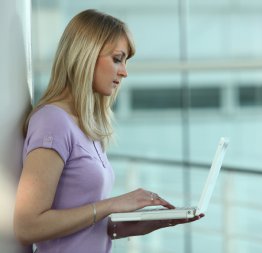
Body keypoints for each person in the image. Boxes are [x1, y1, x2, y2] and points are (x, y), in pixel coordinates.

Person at [13, 9, 203, 253]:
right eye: (117, 59)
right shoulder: (52, 121)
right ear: (86, 55)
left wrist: (154, 221)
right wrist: (112, 204)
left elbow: (90, 229)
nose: (124, 71)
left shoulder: (87, 126)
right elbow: (27, 226)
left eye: (125, 61)